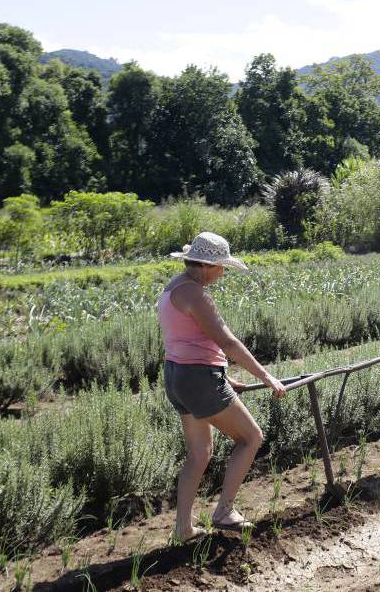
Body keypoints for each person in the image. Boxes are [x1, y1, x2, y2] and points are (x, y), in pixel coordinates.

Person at [158, 232, 286, 543]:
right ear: (205, 265)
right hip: (199, 379)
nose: (223, 272)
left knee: (199, 452)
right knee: (251, 437)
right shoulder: (197, 295)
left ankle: (184, 529)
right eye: (221, 266)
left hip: (177, 376)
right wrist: (266, 377)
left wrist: (225, 378)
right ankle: (224, 511)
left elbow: (186, 340)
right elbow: (227, 342)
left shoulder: (173, 287)